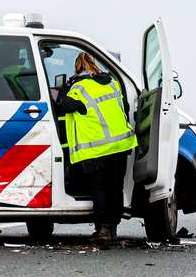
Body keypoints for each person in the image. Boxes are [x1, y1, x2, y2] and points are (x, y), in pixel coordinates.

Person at [55, 52, 137, 244]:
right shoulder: (112, 83)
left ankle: (103, 231)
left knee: (99, 189)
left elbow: (63, 105)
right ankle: (113, 229)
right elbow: (124, 107)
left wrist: (65, 87)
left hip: (97, 148)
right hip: (120, 145)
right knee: (115, 188)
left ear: (77, 68)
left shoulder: (79, 88)